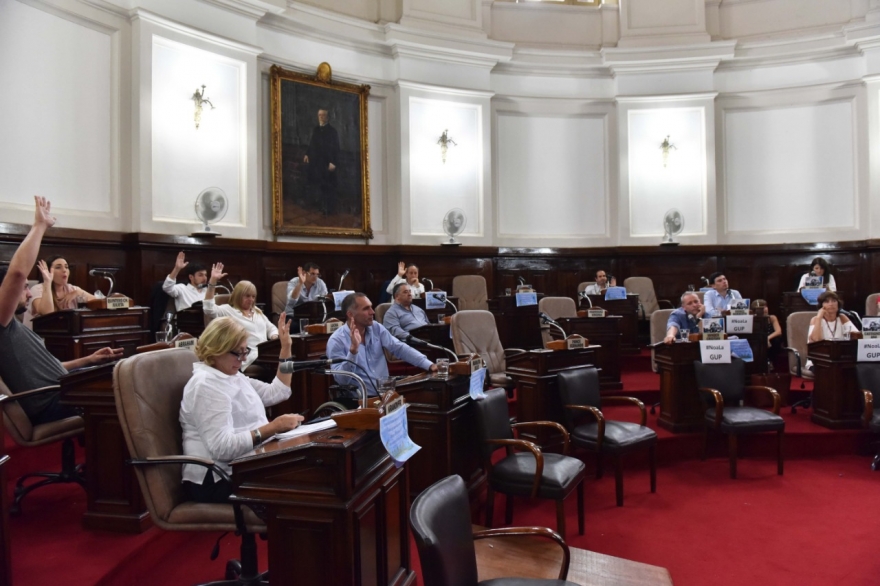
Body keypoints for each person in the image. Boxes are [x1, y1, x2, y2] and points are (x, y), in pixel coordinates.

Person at [0, 197, 123, 425]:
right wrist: (39, 227)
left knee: (122, 374)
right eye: (24, 288)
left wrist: (89, 359)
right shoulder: (2, 324)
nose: (28, 293)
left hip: (61, 387)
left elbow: (52, 368)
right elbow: (17, 273)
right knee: (126, 391)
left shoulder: (13, 327)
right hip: (52, 399)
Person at [179, 315, 303, 504]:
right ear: (215, 350)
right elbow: (222, 448)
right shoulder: (205, 385)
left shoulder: (232, 374)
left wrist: (285, 348)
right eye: (238, 353)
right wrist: (274, 427)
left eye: (245, 352)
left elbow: (278, 392)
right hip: (216, 478)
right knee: (301, 486)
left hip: (243, 465)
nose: (243, 360)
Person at [326, 293, 437, 395]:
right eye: (366, 309)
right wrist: (353, 352)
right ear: (351, 315)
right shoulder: (337, 340)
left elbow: (399, 347)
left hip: (386, 395)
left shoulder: (376, 327)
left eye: (371, 307)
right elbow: (341, 380)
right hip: (361, 401)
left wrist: (429, 364)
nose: (372, 312)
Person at [203, 263, 278, 370]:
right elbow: (208, 309)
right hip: (249, 356)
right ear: (238, 295)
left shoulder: (256, 311)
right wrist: (213, 281)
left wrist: (274, 336)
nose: (251, 300)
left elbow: (271, 328)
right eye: (247, 296)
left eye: (253, 296)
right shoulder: (228, 310)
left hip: (266, 353)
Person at [24, 254, 96, 327]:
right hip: (38, 336)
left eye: (66, 267)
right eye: (58, 267)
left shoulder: (72, 289)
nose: (64, 270)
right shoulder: (37, 289)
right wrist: (47, 282)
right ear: (47, 271)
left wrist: (79, 292)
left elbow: (103, 303)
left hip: (65, 335)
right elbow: (47, 313)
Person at [303, 108, 341, 215]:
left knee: (327, 185)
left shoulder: (332, 131)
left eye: (323, 115)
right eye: (319, 115)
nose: (321, 117)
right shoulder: (316, 129)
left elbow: (336, 148)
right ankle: (319, 205)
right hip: (316, 162)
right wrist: (307, 154)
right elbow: (311, 144)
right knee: (317, 183)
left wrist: (333, 162)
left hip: (327, 163)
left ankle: (328, 208)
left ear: (327, 117)